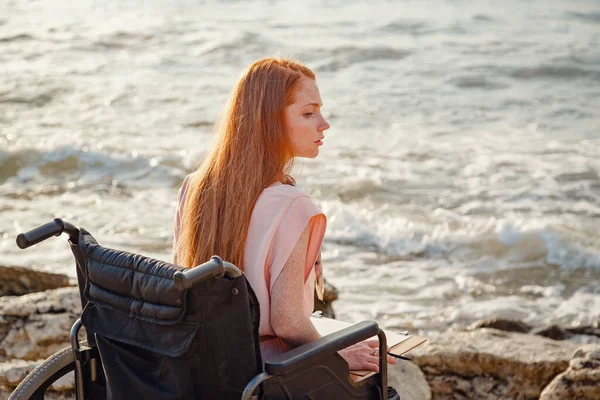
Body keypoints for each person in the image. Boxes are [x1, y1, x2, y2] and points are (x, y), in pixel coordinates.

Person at [172, 57, 395, 373]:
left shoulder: (193, 187)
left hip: (203, 370)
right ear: (268, 121)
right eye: (308, 113)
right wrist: (339, 356)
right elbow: (289, 324)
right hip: (268, 375)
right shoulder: (293, 205)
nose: (324, 124)